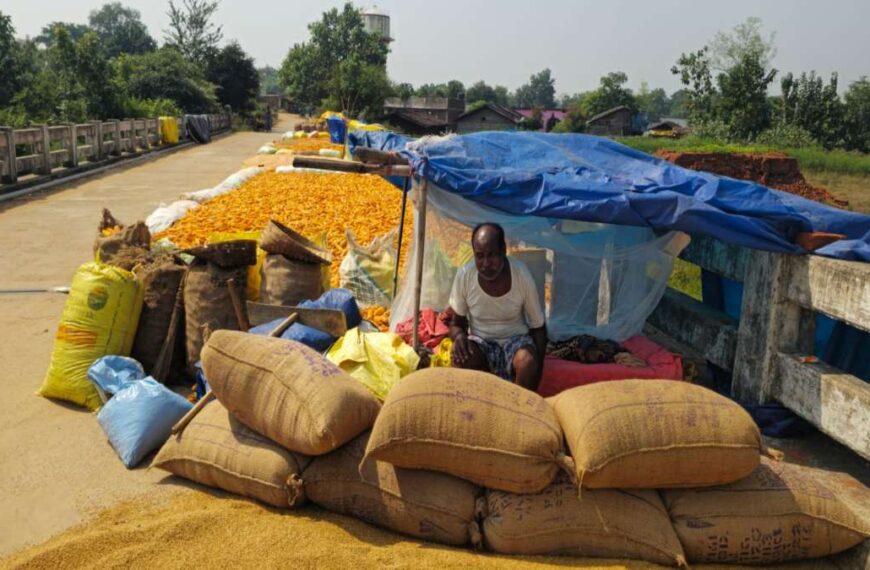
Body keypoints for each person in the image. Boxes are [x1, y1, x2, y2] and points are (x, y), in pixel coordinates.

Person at [447, 223, 547, 390]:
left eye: (491, 255)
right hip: (482, 343)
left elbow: (538, 328)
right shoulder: (465, 275)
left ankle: (520, 410)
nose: (485, 264)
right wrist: (459, 337)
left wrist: (537, 367)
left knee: (527, 361)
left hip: (515, 342)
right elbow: (456, 324)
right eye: (479, 256)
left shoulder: (521, 274)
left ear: (504, 251)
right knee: (461, 358)